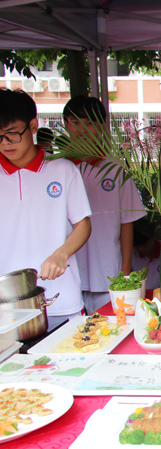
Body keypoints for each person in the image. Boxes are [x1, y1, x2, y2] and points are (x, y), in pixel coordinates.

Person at [0, 89, 92, 329]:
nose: (5, 143)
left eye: (12, 134)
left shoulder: (62, 170)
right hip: (7, 306)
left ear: (32, 126)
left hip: (60, 299)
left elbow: (83, 224)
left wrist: (60, 254)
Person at [63, 96, 146, 314]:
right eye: (75, 122)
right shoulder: (57, 169)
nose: (82, 129)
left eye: (90, 123)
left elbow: (126, 222)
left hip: (108, 273)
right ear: (65, 124)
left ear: (102, 126)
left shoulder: (115, 168)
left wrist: (125, 269)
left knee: (109, 332)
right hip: (65, 274)